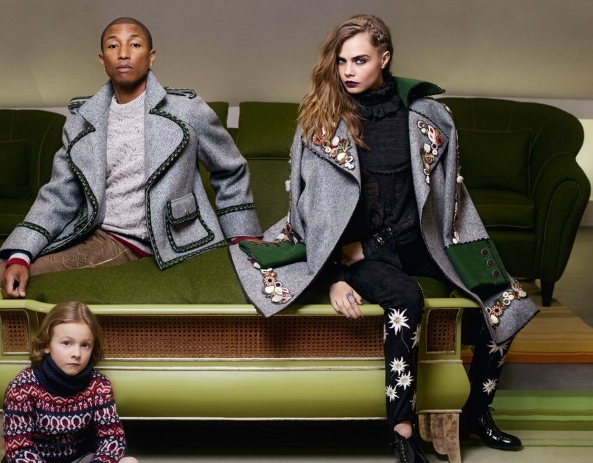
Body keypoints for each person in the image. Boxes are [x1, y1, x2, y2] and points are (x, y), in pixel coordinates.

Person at [0, 16, 260, 451]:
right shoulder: (84, 117)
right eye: (113, 45)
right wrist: (22, 252)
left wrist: (242, 235)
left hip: (143, 241)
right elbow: (60, 193)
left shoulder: (187, 109)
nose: (124, 53)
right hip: (93, 230)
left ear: (151, 56)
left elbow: (230, 169)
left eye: (134, 44)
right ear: (101, 58)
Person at [229, 13, 538, 463]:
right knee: (406, 299)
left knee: (507, 299)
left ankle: (477, 410)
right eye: (341, 61)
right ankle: (401, 427)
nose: (348, 71)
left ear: (385, 58)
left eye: (360, 60)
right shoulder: (320, 123)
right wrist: (335, 275)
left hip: (421, 243)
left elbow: (443, 199)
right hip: (355, 253)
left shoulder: (429, 117)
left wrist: (441, 248)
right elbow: (310, 213)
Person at [2, 301, 138, 463]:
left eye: (85, 345)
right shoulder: (22, 387)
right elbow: (19, 450)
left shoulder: (99, 385)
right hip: (34, 459)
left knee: (130, 462)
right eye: (66, 343)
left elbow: (113, 439)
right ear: (47, 344)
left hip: (80, 458)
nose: (76, 353)